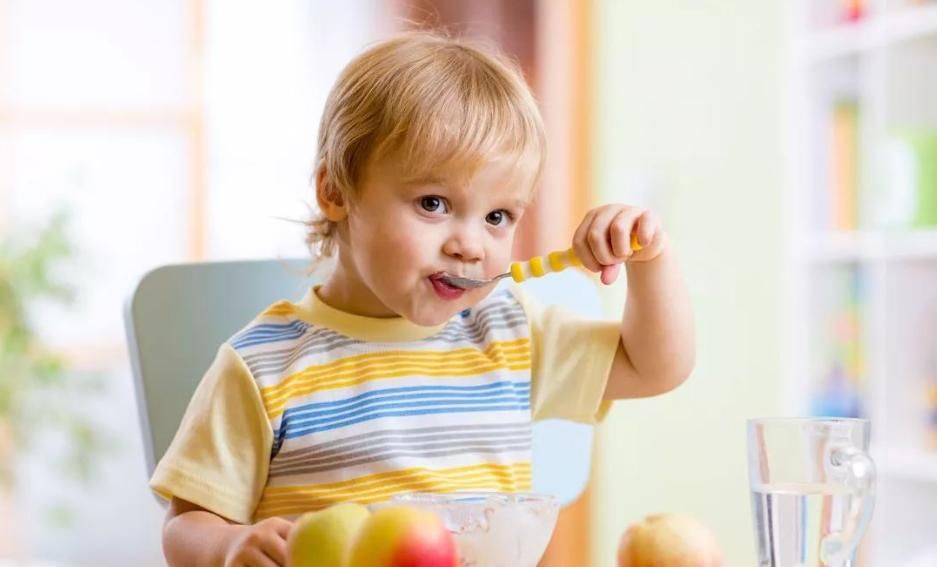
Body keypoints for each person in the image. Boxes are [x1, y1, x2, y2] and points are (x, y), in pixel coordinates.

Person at [152, 31, 695, 567]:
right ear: (336, 192)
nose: (470, 245)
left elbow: (655, 367)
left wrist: (650, 262)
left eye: (498, 217)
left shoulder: (506, 332)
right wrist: (227, 546)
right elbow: (186, 525)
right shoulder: (263, 366)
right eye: (434, 203)